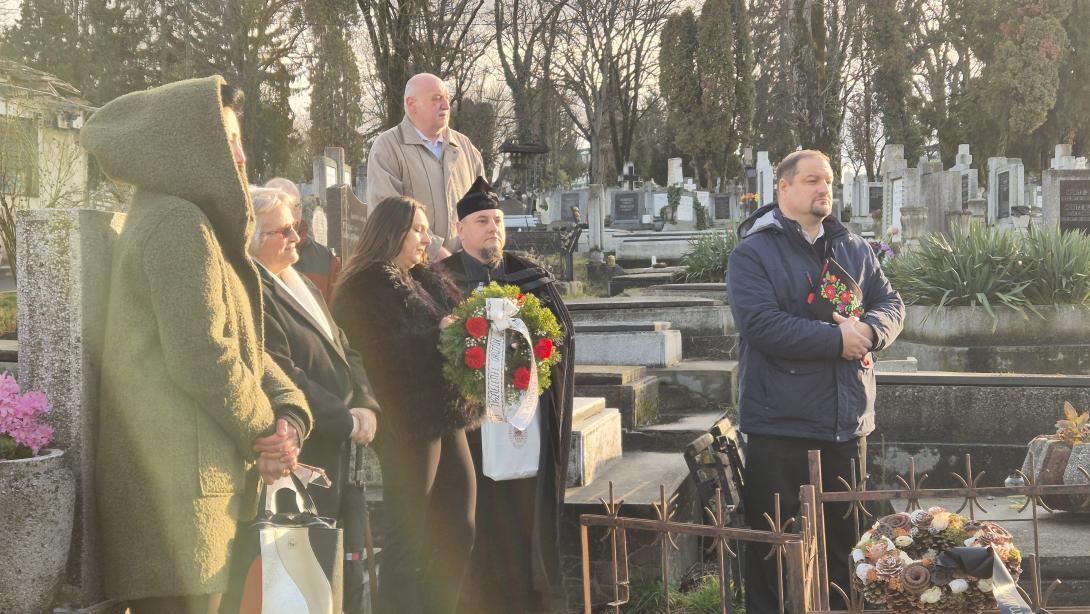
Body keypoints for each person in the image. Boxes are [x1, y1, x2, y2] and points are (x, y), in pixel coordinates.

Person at [82, 77, 312, 614]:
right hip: (179, 501)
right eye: (227, 140)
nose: (242, 155)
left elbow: (245, 345)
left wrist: (289, 413)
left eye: (239, 139)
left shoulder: (188, 219)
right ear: (188, 146)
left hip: (197, 496)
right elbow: (203, 354)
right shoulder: (177, 224)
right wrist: (267, 434)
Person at [726, 150, 905, 611]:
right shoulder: (753, 253)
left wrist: (869, 332)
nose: (824, 188)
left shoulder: (853, 248)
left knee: (845, 551)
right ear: (783, 188)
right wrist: (836, 340)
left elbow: (891, 303)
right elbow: (761, 325)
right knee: (775, 550)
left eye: (828, 180)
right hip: (780, 424)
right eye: (811, 180)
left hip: (846, 423)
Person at [331, 196, 483, 614]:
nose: (427, 238)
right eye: (418, 229)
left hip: (444, 412)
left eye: (427, 230)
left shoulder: (425, 278)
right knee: (409, 535)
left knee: (460, 526)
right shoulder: (364, 287)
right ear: (391, 232)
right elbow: (378, 359)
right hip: (407, 422)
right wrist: (439, 335)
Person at [434, 177, 575, 614]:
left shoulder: (529, 276)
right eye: (482, 221)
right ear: (461, 230)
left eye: (497, 220)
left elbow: (562, 337)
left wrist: (527, 358)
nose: (493, 228)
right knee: (478, 513)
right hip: (469, 427)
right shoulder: (439, 280)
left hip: (523, 421)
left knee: (525, 511)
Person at [247, 186, 381, 611]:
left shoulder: (300, 280)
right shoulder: (254, 291)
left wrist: (366, 404)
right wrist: (344, 418)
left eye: (296, 228)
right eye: (283, 231)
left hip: (341, 447)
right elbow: (285, 372)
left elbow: (345, 348)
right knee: (305, 582)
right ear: (252, 238)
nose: (296, 238)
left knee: (341, 575)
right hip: (308, 449)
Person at [365, 73, 485, 261]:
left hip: (465, 267)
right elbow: (388, 215)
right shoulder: (388, 148)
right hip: (412, 269)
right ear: (411, 104)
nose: (446, 105)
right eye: (436, 99)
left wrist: (472, 257)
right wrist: (436, 252)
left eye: (447, 98)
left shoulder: (466, 148)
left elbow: (483, 208)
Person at [264, 177, 343, 301]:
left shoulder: (325, 260)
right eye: (280, 205)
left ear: (300, 208)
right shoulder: (252, 255)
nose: (288, 213)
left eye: (294, 206)